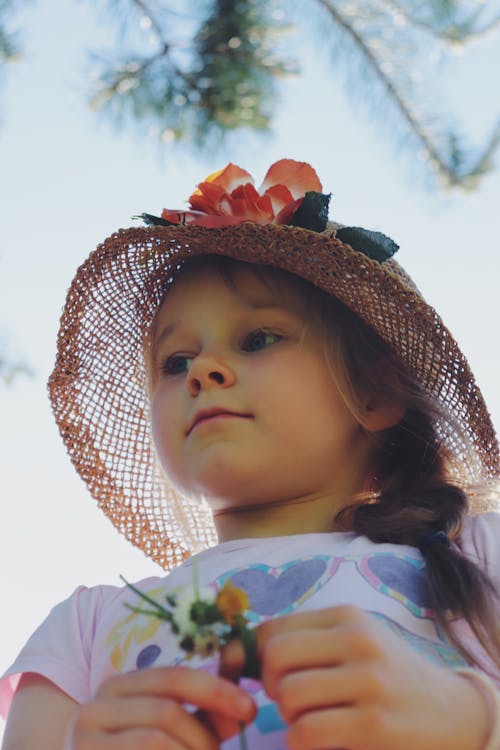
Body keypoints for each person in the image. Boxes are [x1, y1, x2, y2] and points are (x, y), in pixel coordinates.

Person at [1, 158, 499, 750]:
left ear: (375, 392)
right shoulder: (82, 631)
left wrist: (472, 720)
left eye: (258, 339)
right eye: (175, 361)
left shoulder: (474, 557)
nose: (202, 372)